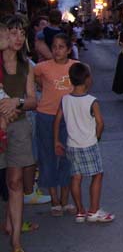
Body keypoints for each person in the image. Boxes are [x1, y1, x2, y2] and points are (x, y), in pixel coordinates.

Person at [54, 62, 114, 222]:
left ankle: (80, 210)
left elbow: (57, 119)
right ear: (87, 79)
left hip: (72, 145)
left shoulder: (65, 99)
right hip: (88, 144)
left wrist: (56, 141)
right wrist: (97, 136)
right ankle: (93, 210)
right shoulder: (92, 101)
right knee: (97, 174)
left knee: (76, 177)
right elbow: (100, 123)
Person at [0, 16, 38, 252]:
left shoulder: (27, 66)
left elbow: (33, 100)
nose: (18, 38)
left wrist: (17, 102)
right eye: (13, 32)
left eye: (21, 33)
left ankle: (15, 240)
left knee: (15, 183)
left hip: (19, 127)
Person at [32, 34, 76, 217]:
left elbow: (86, 81)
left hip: (69, 117)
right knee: (48, 156)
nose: (57, 50)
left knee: (68, 157)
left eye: (61, 47)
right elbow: (35, 79)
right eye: (55, 47)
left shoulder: (75, 67)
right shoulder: (42, 67)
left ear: (68, 49)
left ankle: (65, 199)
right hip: (46, 116)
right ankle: (54, 199)